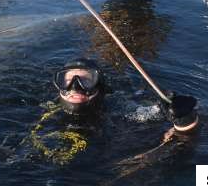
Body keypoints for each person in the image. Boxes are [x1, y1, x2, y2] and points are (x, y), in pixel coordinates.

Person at [27, 58, 198, 165]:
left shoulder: (121, 111)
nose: (76, 87)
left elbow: (178, 142)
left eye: (86, 80)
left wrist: (184, 119)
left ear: (100, 87)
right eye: (69, 80)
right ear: (58, 86)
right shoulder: (37, 111)